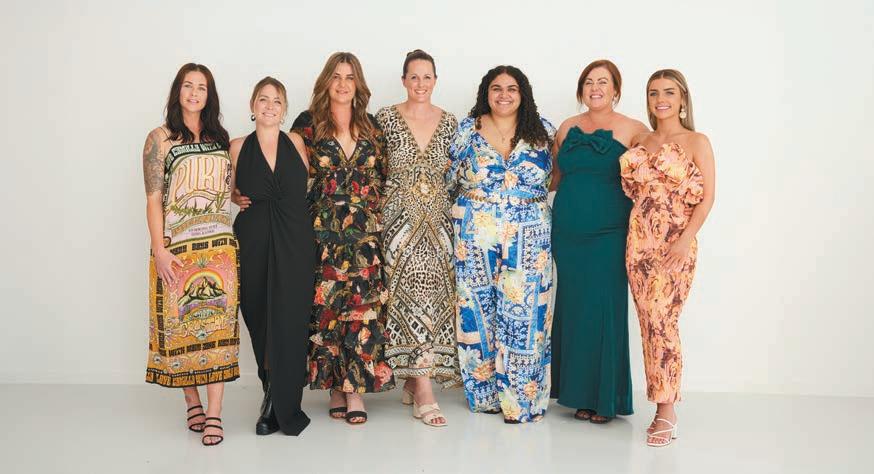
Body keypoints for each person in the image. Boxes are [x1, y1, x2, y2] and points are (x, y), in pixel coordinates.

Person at [292, 52, 395, 424]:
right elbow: (287, 172)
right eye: (336, 76)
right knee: (329, 313)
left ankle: (355, 392)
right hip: (323, 234)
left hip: (364, 236)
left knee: (362, 313)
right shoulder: (308, 125)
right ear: (326, 81)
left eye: (350, 77)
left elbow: (384, 176)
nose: (342, 84)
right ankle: (334, 387)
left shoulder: (371, 126)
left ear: (358, 84)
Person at [448, 65, 555, 424]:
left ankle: (521, 400)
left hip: (529, 232)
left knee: (525, 313)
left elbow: (558, 176)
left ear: (523, 94)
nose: (504, 95)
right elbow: (448, 177)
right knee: (476, 307)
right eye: (496, 88)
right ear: (486, 93)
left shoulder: (544, 132)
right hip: (474, 232)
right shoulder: (467, 130)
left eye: (512, 88)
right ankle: (484, 396)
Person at [142, 63, 238, 446]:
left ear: (209, 95)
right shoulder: (160, 139)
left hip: (219, 248)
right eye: (188, 86)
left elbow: (224, 187)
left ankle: (214, 413)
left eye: (201, 87)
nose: (194, 93)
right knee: (180, 327)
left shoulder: (220, 138)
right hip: (176, 251)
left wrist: (242, 196)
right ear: (177, 92)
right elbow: (153, 199)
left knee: (218, 331)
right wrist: (159, 250)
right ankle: (191, 401)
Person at [619, 69, 716, 447]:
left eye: (669, 92)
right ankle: (661, 403)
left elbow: (707, 198)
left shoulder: (696, 141)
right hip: (638, 244)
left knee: (664, 322)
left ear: (682, 99)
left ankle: (666, 410)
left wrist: (684, 240)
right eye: (654, 93)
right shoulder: (641, 140)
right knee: (649, 323)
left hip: (676, 245)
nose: (661, 99)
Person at [550, 60, 648, 424]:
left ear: (616, 90)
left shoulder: (635, 129)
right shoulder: (566, 127)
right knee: (574, 308)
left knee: (604, 309)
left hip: (609, 231)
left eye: (603, 82)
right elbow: (554, 178)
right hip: (567, 231)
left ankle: (605, 398)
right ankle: (577, 395)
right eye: (589, 82)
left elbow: (658, 166)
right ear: (581, 89)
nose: (595, 88)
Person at [376, 49, 461, 428]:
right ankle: (422, 389)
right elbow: (374, 168)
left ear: (435, 80)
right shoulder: (385, 119)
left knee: (431, 299)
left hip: (439, 225)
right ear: (403, 80)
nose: (420, 84)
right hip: (397, 224)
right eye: (414, 76)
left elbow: (457, 174)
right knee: (404, 301)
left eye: (427, 77)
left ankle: (417, 379)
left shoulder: (450, 122)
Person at [230, 77, 314, 436]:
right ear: (252, 105)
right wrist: (236, 197)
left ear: (284, 108)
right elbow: (229, 192)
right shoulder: (237, 146)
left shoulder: (296, 142)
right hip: (254, 240)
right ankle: (270, 391)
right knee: (260, 315)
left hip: (295, 239)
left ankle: (281, 404)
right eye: (263, 99)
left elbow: (305, 188)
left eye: (276, 100)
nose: (269, 106)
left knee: (290, 318)